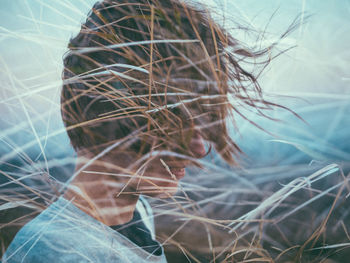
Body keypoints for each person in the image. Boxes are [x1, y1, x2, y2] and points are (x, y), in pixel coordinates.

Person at [2, 0, 273, 262]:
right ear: (102, 112)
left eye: (203, 122)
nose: (200, 149)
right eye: (173, 121)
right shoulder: (56, 254)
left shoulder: (137, 213)